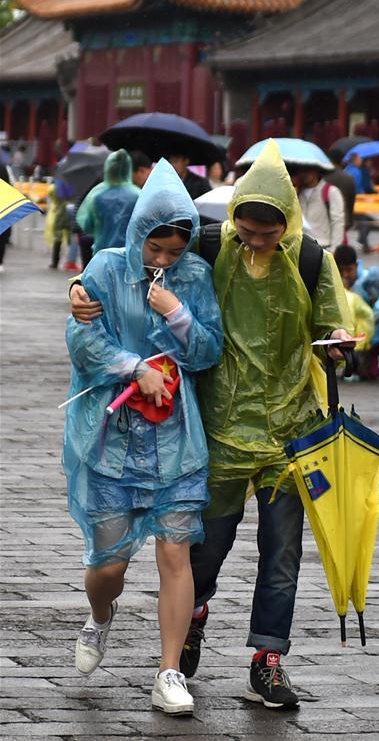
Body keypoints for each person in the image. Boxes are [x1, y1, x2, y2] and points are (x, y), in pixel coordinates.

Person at [70, 142, 353, 710]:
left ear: (288, 225)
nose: (254, 243)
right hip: (213, 431)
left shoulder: (308, 260)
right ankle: (170, 615)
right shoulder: (205, 244)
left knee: (279, 553)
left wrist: (339, 347)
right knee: (195, 554)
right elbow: (111, 274)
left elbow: (324, 327)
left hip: (281, 430)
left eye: (267, 235)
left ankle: (261, 659)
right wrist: (75, 291)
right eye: (245, 231)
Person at [64, 159, 223, 716]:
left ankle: (169, 670)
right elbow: (83, 343)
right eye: (155, 249)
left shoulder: (196, 278)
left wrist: (176, 312)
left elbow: (207, 351)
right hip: (112, 436)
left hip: (176, 437)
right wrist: (136, 367)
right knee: (109, 565)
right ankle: (100, 616)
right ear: (137, 237)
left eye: (174, 251)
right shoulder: (105, 270)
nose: (163, 260)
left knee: (175, 552)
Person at [76, 150, 139, 256]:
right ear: (129, 169)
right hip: (129, 254)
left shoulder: (97, 195)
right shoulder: (137, 195)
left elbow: (87, 225)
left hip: (102, 253)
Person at [334, 245, 376, 379]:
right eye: (341, 271)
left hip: (370, 336)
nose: (345, 275)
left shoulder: (369, 280)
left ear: (357, 265)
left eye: (349, 270)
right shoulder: (334, 284)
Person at [292, 165, 345, 251]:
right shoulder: (296, 192)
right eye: (301, 170)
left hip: (323, 246)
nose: (303, 174)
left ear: (317, 171)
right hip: (300, 246)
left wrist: (334, 249)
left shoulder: (331, 191)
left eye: (308, 170)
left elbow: (337, 221)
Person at [326, 148, 356, 230]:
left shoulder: (323, 177)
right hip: (344, 219)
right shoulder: (349, 178)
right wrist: (350, 220)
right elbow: (351, 201)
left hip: (325, 218)